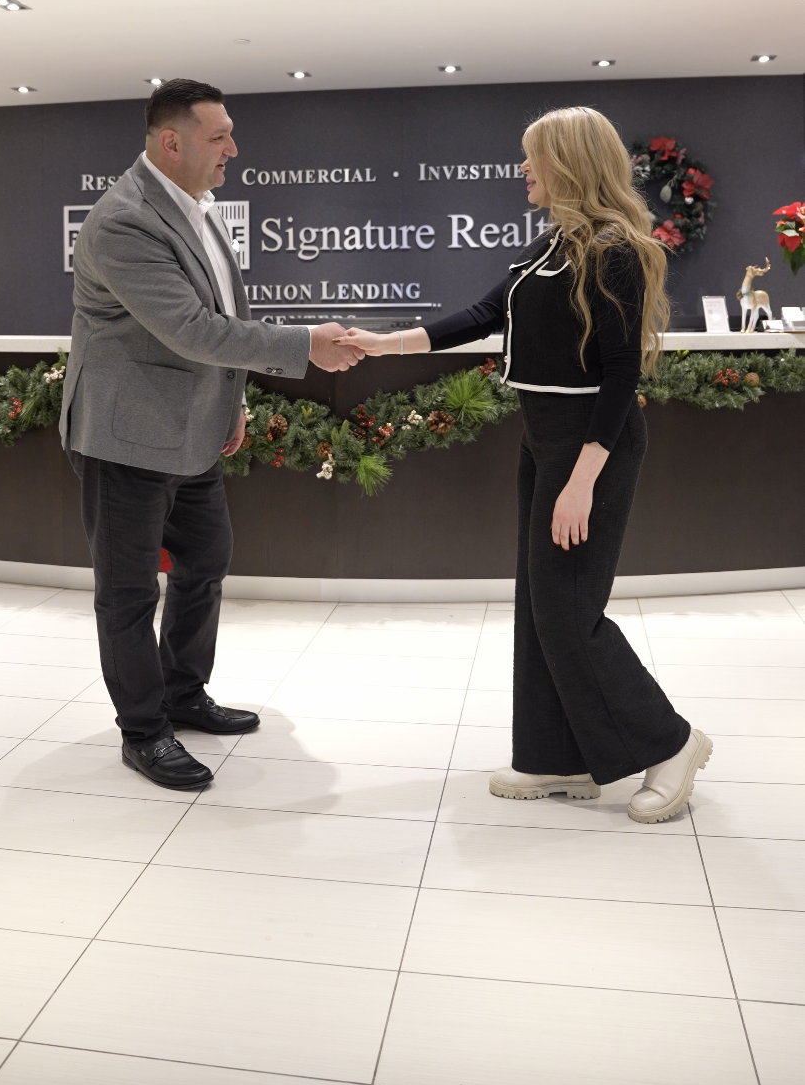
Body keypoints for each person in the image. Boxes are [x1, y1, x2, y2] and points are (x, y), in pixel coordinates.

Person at [337, 106, 711, 825]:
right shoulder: (547, 249)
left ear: (567, 163)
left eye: (531, 158)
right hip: (543, 438)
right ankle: (556, 757)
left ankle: (672, 742)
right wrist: (385, 344)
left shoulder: (614, 250)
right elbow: (482, 314)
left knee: (568, 610)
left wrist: (581, 480)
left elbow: (619, 372)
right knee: (540, 607)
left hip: (588, 448)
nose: (522, 171)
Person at [60, 78, 363, 790]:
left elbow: (225, 308)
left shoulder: (196, 208)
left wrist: (234, 402)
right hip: (126, 436)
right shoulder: (123, 221)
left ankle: (182, 692)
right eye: (220, 135)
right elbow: (191, 330)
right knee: (130, 592)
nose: (234, 147)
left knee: (206, 561)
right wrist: (303, 346)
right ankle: (143, 730)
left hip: (194, 429)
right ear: (173, 141)